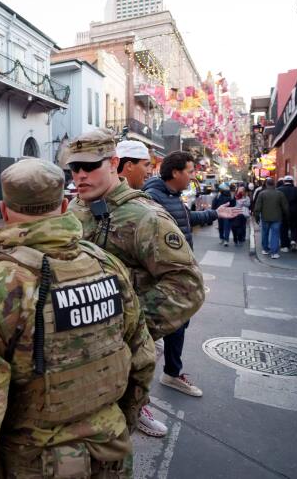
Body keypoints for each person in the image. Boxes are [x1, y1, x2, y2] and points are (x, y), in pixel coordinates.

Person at [0, 158, 155, 478]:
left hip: (34, 463)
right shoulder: (107, 265)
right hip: (111, 451)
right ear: (64, 205)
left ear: (5, 211)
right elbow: (142, 358)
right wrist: (120, 423)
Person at [66, 129, 206, 438]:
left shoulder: (143, 215)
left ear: (114, 163)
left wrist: (133, 326)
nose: (80, 175)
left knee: (112, 435)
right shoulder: (77, 208)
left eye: (90, 166)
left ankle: (137, 407)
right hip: (78, 343)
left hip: (120, 345)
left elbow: (188, 285)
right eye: (74, 168)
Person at [142, 151, 240, 398]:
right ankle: (142, 391)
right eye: (189, 171)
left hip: (178, 274)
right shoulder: (154, 197)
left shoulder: (171, 195)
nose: (192, 176)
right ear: (175, 173)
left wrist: (216, 214)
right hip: (163, 276)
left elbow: (186, 218)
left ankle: (171, 373)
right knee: (161, 329)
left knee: (179, 324)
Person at [254, 177, 288, 259]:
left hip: (265, 217)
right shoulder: (280, 194)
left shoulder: (262, 194)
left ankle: (265, 249)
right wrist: (286, 216)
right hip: (277, 218)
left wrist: (257, 217)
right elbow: (285, 207)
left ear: (266, 184)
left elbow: (257, 207)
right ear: (274, 184)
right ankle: (274, 252)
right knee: (275, 235)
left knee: (265, 233)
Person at [277, 175, 297, 252]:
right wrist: (296, 206)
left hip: (283, 212)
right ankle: (293, 241)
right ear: (292, 181)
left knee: (283, 228)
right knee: (294, 227)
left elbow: (276, 202)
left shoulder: (279, 190)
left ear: (284, 181)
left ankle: (285, 246)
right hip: (295, 211)